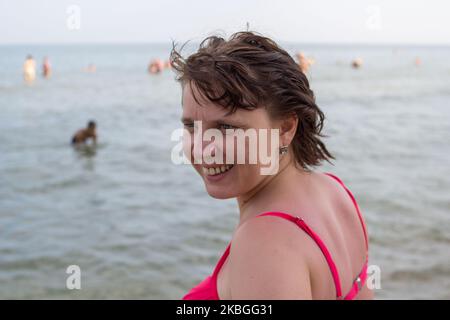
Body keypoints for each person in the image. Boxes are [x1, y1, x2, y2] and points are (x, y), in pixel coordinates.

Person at [171, 31, 372, 300]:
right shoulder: (335, 192)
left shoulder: (263, 243)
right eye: (190, 126)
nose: (201, 149)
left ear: (286, 128)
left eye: (227, 127)